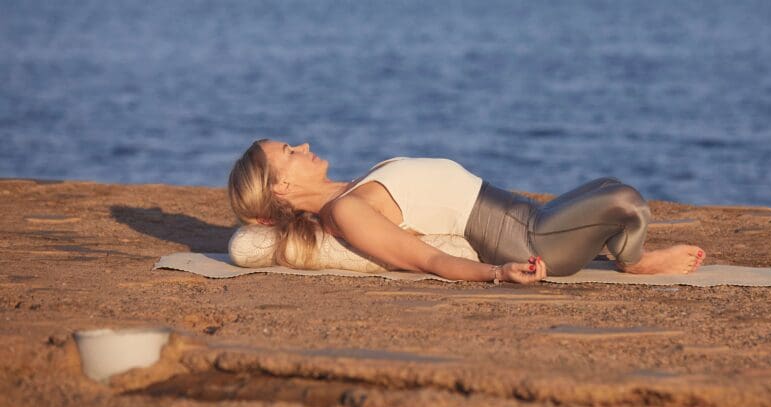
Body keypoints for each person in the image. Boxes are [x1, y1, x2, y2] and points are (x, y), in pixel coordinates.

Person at [227, 140, 705, 285]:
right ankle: (635, 261)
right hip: (526, 240)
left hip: (526, 217)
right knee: (628, 201)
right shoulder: (347, 210)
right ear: (283, 186)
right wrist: (498, 272)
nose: (304, 145)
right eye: (290, 150)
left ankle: (619, 247)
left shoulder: (349, 188)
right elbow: (424, 260)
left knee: (609, 186)